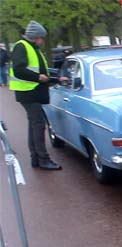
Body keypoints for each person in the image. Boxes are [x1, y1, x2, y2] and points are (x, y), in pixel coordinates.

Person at [9, 20, 61, 170]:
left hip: (31, 91)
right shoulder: (22, 46)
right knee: (38, 126)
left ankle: (36, 158)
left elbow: (40, 69)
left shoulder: (30, 47)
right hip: (28, 92)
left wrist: (56, 78)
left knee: (34, 125)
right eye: (42, 38)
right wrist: (38, 78)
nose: (43, 41)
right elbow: (20, 70)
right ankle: (43, 159)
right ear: (36, 37)